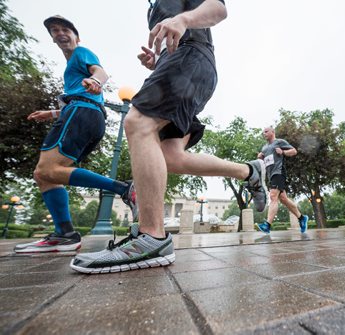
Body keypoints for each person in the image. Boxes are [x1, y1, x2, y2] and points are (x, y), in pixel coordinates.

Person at [70, 0, 267, 274]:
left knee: (138, 123)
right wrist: (156, 60)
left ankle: (152, 238)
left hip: (190, 60)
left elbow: (218, 8)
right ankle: (249, 171)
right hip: (180, 65)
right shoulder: (153, 7)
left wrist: (184, 20)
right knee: (171, 157)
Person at [14, 16, 137, 253]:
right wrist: (51, 113)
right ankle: (65, 233)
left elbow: (101, 72)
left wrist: (94, 80)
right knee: (47, 176)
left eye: (65, 30)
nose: (60, 33)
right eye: (54, 30)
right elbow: (81, 97)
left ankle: (124, 189)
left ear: (76, 37)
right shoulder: (71, 67)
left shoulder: (81, 53)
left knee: (45, 170)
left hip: (82, 112)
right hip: (85, 115)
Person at [255, 127, 308, 234]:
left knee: (273, 196)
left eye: (266, 132)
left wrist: (283, 152)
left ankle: (267, 225)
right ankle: (302, 218)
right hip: (271, 176)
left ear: (272, 132)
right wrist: (260, 157)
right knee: (283, 199)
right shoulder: (264, 148)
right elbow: (264, 162)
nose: (263, 134)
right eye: (263, 132)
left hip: (279, 173)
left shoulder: (279, 142)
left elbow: (294, 151)